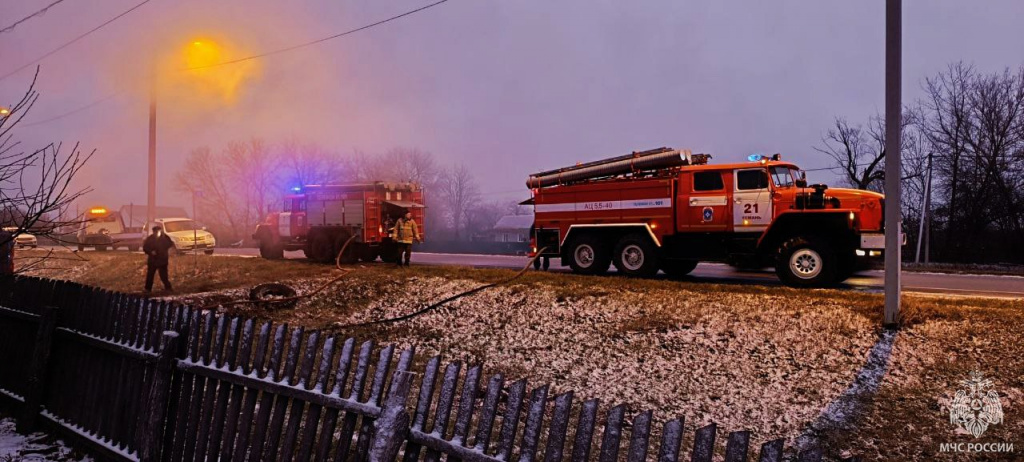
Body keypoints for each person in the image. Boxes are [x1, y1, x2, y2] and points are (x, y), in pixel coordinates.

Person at [143, 225, 175, 293]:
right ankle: (148, 289)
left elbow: (170, 244)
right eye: (156, 231)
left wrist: (164, 240)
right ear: (153, 232)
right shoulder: (150, 238)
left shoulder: (165, 237)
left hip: (162, 259)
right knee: (150, 275)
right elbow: (145, 247)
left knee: (164, 275)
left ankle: (168, 287)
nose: (157, 233)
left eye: (159, 231)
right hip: (153, 260)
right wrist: (151, 252)